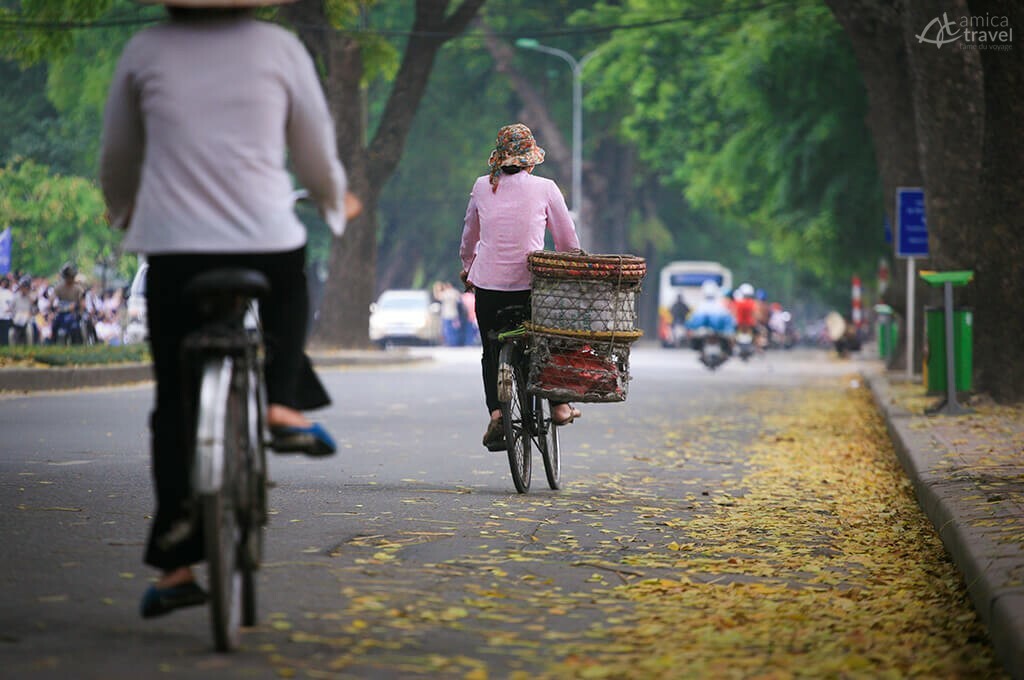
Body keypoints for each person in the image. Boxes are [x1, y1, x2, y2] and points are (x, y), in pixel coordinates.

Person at [99, 0, 362, 619]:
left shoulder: (145, 51)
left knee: (174, 402)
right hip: (262, 236)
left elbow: (117, 157)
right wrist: (333, 201)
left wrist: (123, 210)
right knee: (289, 288)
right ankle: (280, 401)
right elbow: (315, 156)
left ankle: (176, 565)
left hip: (172, 247)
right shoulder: (280, 49)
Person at [459, 123, 581, 450]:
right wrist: (568, 267)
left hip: (488, 287)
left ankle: (498, 414)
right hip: (531, 286)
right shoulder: (546, 188)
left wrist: (468, 267)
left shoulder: (482, 186)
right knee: (545, 341)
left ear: (499, 159)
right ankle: (559, 405)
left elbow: (469, 236)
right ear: (530, 161)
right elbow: (568, 242)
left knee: (491, 349)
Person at [52, 262, 86, 345]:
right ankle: (53, 343)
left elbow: (82, 302)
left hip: (73, 313)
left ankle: (77, 343)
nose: (69, 279)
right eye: (67, 276)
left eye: (71, 276)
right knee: (54, 325)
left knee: (75, 327)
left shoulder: (78, 289)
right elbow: (52, 298)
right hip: (61, 313)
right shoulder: (59, 287)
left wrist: (80, 311)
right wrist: (52, 306)